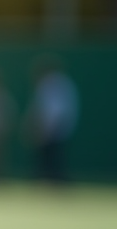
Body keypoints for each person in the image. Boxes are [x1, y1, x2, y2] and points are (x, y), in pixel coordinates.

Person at [24, 56, 80, 184]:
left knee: (53, 156)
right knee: (48, 156)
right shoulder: (58, 83)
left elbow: (53, 111)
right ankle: (47, 180)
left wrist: (46, 128)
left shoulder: (54, 84)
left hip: (54, 127)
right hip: (54, 127)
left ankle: (55, 180)